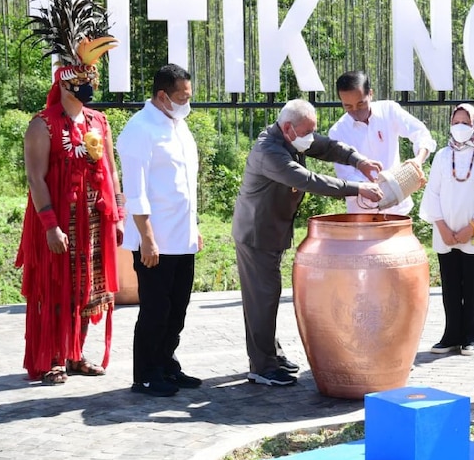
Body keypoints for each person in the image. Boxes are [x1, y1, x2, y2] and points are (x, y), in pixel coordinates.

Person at [233, 99, 384, 386]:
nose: (310, 137)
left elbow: (327, 146)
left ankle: (270, 354)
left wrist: (358, 160)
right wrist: (357, 188)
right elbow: (309, 180)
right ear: (288, 128)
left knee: (265, 297)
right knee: (262, 299)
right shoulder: (270, 151)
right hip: (256, 234)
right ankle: (262, 366)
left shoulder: (293, 137)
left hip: (270, 230)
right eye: (306, 132)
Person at [16, 0, 122, 385]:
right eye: (81, 80)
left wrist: (118, 216)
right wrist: (49, 224)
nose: (88, 86)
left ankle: (76, 354)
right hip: (59, 218)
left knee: (87, 285)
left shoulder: (99, 121)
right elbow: (35, 177)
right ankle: (54, 357)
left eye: (91, 80)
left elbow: (111, 171)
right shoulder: (42, 125)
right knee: (57, 285)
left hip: (94, 220)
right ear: (64, 82)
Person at [117, 64, 203, 397]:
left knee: (178, 308)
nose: (187, 103)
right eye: (182, 97)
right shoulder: (140, 130)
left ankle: (167, 364)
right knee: (155, 310)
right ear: (162, 95)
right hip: (155, 240)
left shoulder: (179, 125)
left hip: (182, 237)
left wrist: (193, 228)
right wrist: (148, 239)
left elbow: (184, 185)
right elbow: (135, 191)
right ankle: (147, 373)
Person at [419, 103, 474, 356]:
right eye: (456, 122)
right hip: (445, 232)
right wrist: (440, 225)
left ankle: (472, 337)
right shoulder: (443, 155)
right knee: (450, 286)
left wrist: (472, 227)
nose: (460, 127)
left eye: (465, 122)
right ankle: (451, 334)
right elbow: (433, 192)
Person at [329, 71, 436, 215]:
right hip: (362, 212)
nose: (356, 111)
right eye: (348, 106)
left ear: (370, 94)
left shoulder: (389, 110)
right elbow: (346, 176)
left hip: (398, 207)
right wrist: (374, 187)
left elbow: (421, 133)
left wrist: (418, 160)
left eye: (361, 104)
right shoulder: (337, 132)